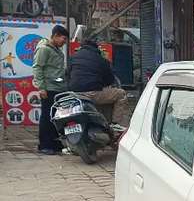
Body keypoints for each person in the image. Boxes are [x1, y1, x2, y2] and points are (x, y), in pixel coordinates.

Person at [67, 38, 126, 124]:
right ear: (96, 48)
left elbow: (67, 75)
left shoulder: (73, 57)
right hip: (93, 94)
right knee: (121, 94)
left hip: (74, 94)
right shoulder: (101, 59)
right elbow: (110, 80)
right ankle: (115, 124)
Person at [32, 24, 69, 154]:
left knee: (56, 117)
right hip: (49, 88)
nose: (64, 42)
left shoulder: (57, 50)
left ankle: (54, 142)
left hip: (59, 88)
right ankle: (45, 145)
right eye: (63, 39)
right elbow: (37, 68)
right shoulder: (44, 49)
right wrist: (41, 88)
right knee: (47, 117)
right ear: (55, 36)